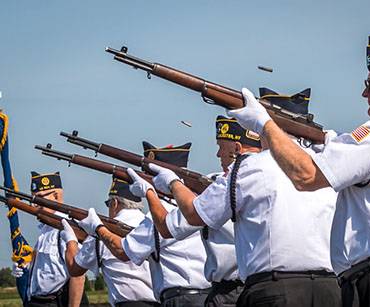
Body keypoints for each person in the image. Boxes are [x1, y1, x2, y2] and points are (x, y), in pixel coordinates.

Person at [227, 35, 370, 307]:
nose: (364, 94)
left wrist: (264, 124)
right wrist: (332, 141)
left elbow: (305, 175)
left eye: (369, 83)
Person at [137, 91, 341, 307]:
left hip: (276, 289)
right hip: (328, 288)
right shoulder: (325, 162)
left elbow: (193, 215)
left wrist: (171, 183)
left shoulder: (250, 167)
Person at [145, 116, 263, 307]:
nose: (218, 154)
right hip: (252, 287)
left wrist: (155, 190)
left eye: (221, 147)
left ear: (236, 149)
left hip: (232, 291)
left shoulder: (224, 186)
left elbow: (171, 226)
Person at [77, 144, 211, 307]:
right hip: (205, 296)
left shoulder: (162, 213)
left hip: (181, 300)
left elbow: (123, 251)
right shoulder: (201, 204)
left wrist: (98, 228)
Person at [60, 177, 158, 307]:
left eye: (108, 204)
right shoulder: (155, 226)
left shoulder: (102, 233)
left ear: (114, 203)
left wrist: (71, 240)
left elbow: (74, 269)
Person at [18, 171, 88, 307]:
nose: (33, 205)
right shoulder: (45, 228)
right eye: (32, 199)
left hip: (56, 302)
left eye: (38, 199)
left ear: (56, 196)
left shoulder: (67, 227)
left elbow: (78, 275)